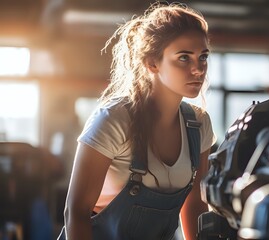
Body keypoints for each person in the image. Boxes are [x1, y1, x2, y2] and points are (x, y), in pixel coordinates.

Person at [59, 2, 216, 240]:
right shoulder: (114, 119)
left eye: (202, 57)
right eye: (184, 58)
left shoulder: (198, 124)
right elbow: (76, 212)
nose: (198, 69)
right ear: (152, 63)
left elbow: (195, 207)